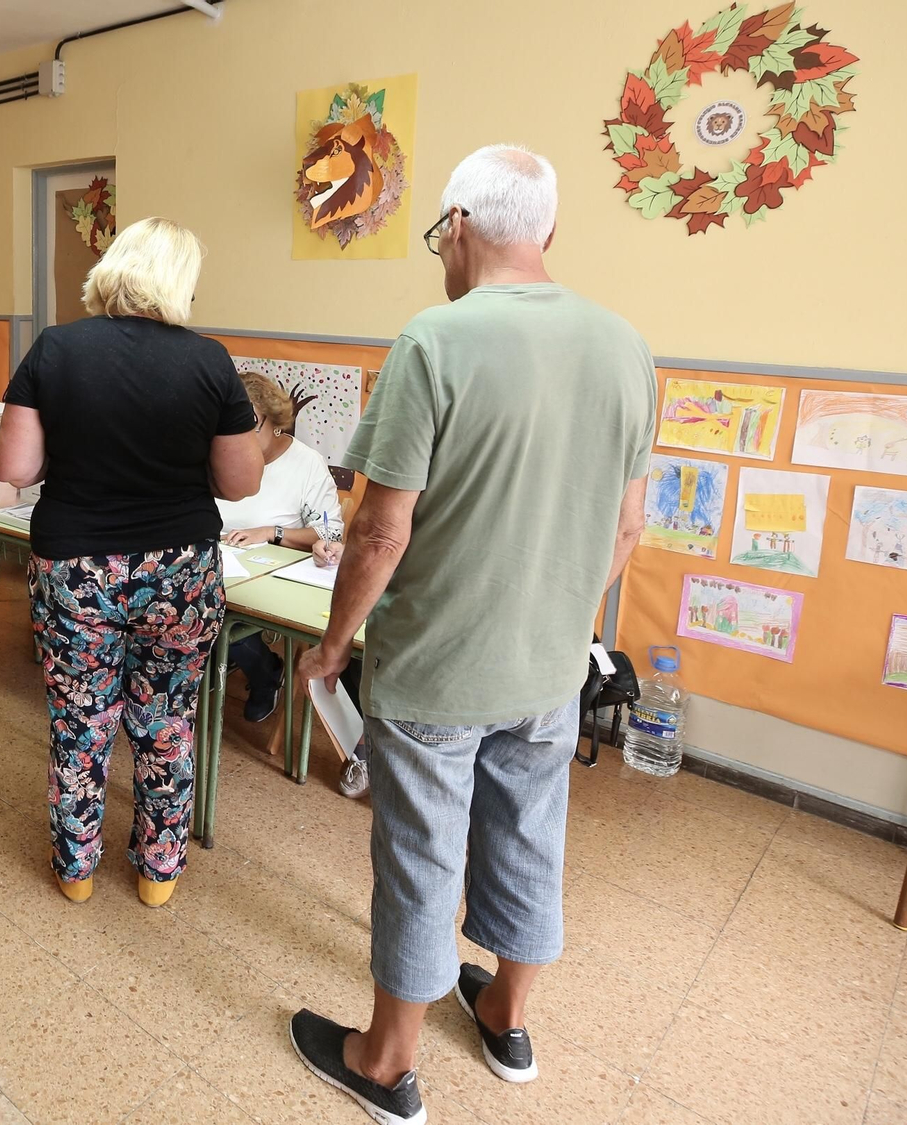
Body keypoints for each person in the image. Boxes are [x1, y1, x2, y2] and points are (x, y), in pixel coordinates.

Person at [289, 145, 655, 1124]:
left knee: (419, 855)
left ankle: (384, 1062)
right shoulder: (623, 344)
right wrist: (551, 608)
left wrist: (332, 645)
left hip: (437, 670)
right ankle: (503, 1017)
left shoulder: (434, 340)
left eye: (434, 238)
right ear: (546, 233)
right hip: (547, 669)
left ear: (454, 226)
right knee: (530, 839)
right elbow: (625, 526)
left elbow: (376, 527)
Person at [0, 217, 264, 909]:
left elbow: (15, 467)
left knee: (81, 721)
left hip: (76, 570)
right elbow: (241, 484)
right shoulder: (210, 362)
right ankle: (157, 872)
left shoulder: (54, 350)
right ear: (179, 283)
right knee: (166, 721)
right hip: (180, 572)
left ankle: (76, 869)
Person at [214, 370, 373, 797]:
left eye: (250, 423)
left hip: (278, 571)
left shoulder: (304, 463)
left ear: (275, 422)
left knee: (222, 614)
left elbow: (330, 535)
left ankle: (265, 671)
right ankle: (262, 670)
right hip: (222, 561)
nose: (239, 434)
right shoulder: (219, 452)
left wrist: (273, 533)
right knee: (195, 603)